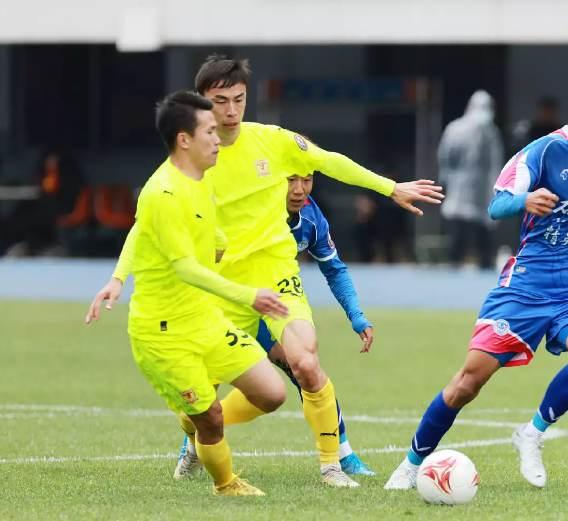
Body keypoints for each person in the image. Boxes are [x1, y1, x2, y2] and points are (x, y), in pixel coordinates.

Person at [91, 55, 443, 488]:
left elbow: (330, 161)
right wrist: (118, 277)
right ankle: (196, 438)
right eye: (220, 101)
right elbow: (146, 226)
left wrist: (390, 188)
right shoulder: (188, 165)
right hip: (220, 287)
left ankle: (332, 466)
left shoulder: (273, 141)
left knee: (306, 363)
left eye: (239, 99)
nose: (231, 111)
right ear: (201, 104)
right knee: (202, 397)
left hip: (276, 275)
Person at [384, 75, 568, 490]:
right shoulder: (544, 150)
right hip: (524, 289)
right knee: (467, 383)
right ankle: (411, 464)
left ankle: (531, 434)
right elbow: (497, 205)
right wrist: (525, 200)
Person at [86, 91, 290, 496]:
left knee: (272, 394)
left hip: (204, 319)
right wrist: (248, 295)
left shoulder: (203, 175)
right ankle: (226, 484)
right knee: (211, 417)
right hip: (164, 333)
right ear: (184, 140)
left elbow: (145, 229)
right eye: (210, 131)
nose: (219, 137)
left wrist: (117, 277)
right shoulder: (162, 192)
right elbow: (184, 268)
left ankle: (190, 412)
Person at [252, 172, 377, 475]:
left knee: (306, 368)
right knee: (211, 377)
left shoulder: (311, 216)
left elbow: (334, 269)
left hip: (275, 303)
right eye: (290, 180)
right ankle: (194, 446)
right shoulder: (250, 206)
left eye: (306, 180)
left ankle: (342, 456)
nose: (299, 190)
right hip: (230, 300)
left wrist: (356, 315)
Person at [437, 90, 503, 269]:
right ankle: (454, 264)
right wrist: (446, 179)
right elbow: (445, 157)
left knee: (484, 238)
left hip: (484, 191)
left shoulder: (492, 133)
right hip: (459, 188)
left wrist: (498, 188)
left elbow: (496, 163)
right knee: (459, 234)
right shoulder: (455, 129)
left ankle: (485, 265)